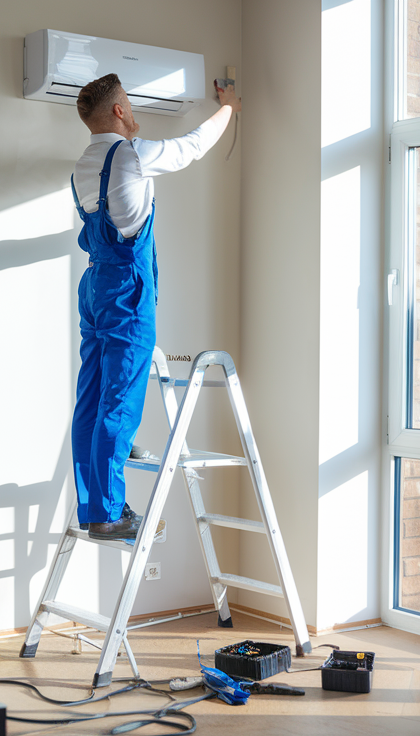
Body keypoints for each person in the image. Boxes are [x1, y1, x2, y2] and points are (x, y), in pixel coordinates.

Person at [69, 73, 241, 541]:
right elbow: (193, 145)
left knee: (92, 400)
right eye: (128, 102)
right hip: (126, 289)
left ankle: (94, 503)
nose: (132, 109)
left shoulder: (84, 165)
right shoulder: (130, 154)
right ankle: (107, 514)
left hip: (95, 286)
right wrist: (229, 107)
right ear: (119, 110)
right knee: (119, 399)